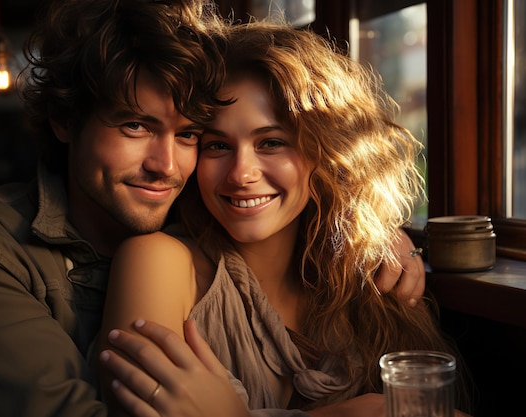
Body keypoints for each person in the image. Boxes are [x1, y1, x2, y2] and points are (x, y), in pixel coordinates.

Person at [0, 1, 425, 416]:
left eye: (188, 135)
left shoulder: (208, 197)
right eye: (135, 126)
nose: (166, 165)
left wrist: (372, 231)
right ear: (63, 120)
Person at [96, 19, 471, 417]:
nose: (241, 174)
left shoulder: (367, 275)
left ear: (326, 153)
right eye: (217, 145)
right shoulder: (156, 262)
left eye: (271, 142)